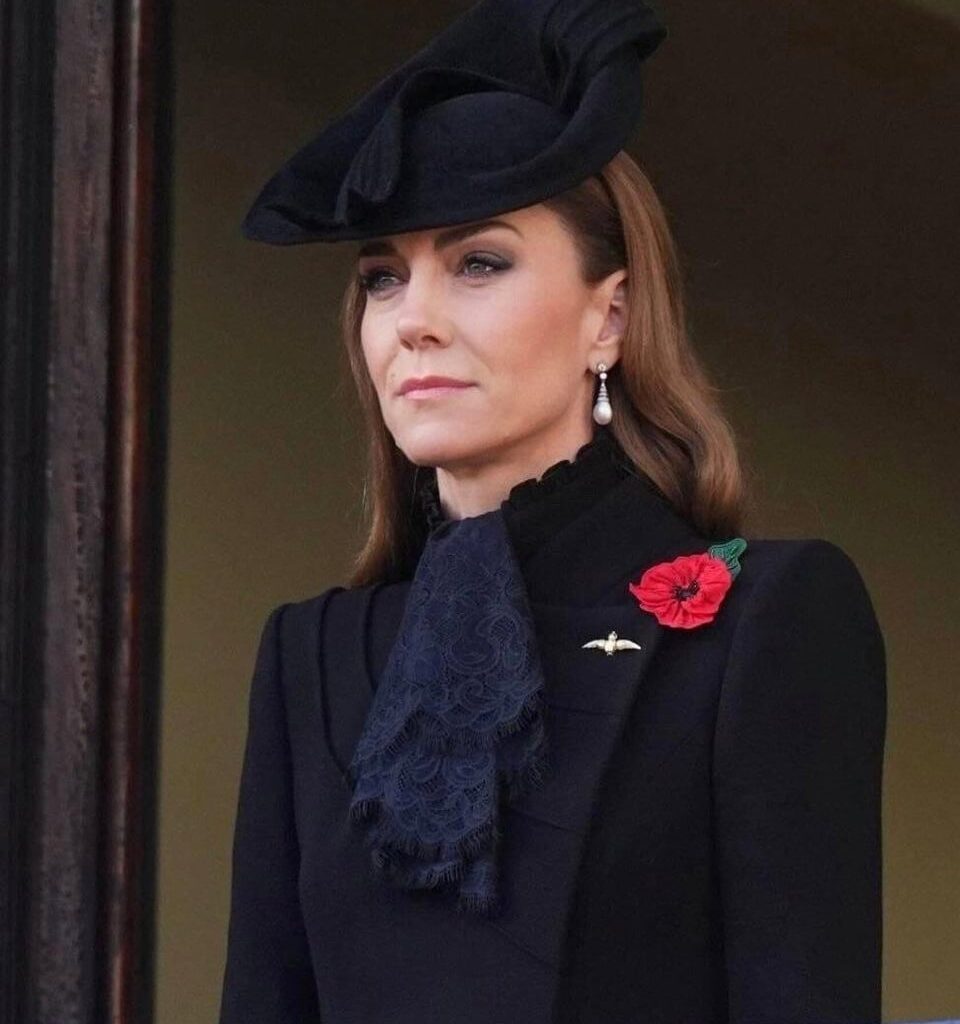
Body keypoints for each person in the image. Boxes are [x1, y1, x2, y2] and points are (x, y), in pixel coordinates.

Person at [218, 2, 887, 1022]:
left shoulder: (768, 619)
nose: (415, 323)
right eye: (382, 279)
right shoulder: (308, 654)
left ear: (607, 316)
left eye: (478, 262)